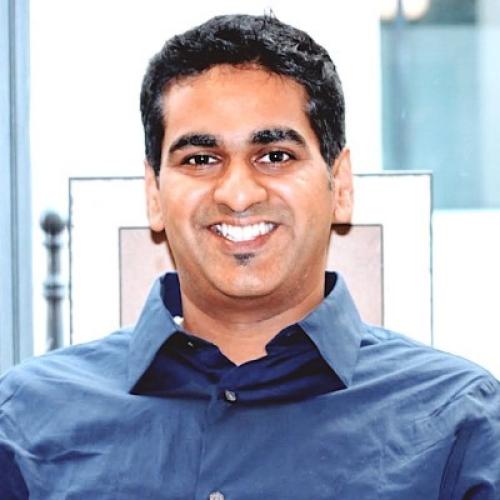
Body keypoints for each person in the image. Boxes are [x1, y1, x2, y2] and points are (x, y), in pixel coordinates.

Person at [1, 13, 499, 500]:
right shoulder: (23, 421)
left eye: (275, 156)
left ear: (341, 185)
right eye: (201, 159)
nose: (238, 194)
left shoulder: (460, 424)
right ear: (154, 194)